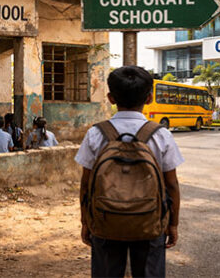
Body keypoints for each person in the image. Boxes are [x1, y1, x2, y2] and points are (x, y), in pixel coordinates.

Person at [75, 66, 183, 277]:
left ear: (111, 98)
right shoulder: (161, 135)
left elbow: (86, 183)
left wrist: (86, 221)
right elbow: (171, 184)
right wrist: (173, 224)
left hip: (105, 219)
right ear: (150, 97)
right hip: (150, 221)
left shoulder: (96, 133)